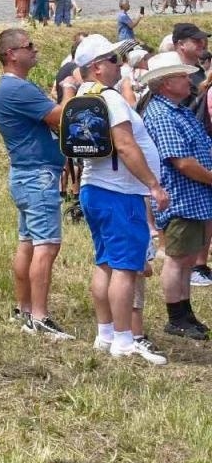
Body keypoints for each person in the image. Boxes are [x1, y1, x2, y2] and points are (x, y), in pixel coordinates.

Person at [65, 34, 171, 365]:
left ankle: (106, 332)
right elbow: (125, 145)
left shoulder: (84, 94)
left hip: (93, 187)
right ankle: (125, 340)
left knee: (105, 262)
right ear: (97, 67)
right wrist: (153, 185)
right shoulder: (111, 100)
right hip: (119, 192)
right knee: (126, 267)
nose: (119, 64)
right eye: (113, 60)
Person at [0, 28, 75, 338]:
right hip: (37, 175)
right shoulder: (18, 89)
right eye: (29, 46)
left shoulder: (13, 88)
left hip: (27, 173)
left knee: (28, 242)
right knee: (47, 245)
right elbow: (61, 117)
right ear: (12, 54)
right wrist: (69, 88)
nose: (35, 49)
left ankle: (24, 309)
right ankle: (39, 316)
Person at [139, 53, 212, 340]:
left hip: (192, 195)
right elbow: (181, 161)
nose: (188, 80)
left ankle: (185, 311)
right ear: (167, 84)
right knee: (178, 258)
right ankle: (176, 315)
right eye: (182, 76)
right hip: (181, 195)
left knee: (187, 256)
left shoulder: (176, 110)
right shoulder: (163, 114)